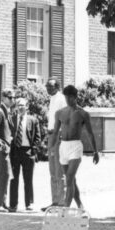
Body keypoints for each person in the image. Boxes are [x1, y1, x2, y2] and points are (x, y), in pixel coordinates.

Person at [54, 85, 100, 208]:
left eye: (70, 97)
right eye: (66, 97)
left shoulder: (83, 114)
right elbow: (55, 132)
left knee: (69, 178)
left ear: (75, 97)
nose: (67, 100)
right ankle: (80, 205)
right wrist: (52, 148)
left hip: (75, 147)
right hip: (63, 147)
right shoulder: (60, 113)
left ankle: (66, 208)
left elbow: (90, 133)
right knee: (71, 180)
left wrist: (95, 151)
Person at [8, 97, 43, 211]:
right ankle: (13, 205)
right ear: (16, 107)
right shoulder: (11, 119)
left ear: (27, 106)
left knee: (28, 179)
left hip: (28, 152)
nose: (20, 107)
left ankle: (29, 203)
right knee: (14, 179)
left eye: (22, 105)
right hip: (15, 152)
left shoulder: (33, 120)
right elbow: (7, 134)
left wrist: (33, 150)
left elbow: (38, 137)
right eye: (18, 105)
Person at [44, 78, 66, 208]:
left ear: (57, 87)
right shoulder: (52, 99)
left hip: (58, 135)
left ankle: (62, 202)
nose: (47, 88)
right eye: (47, 86)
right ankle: (55, 201)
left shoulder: (61, 99)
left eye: (50, 86)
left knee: (59, 170)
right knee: (52, 170)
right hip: (51, 135)